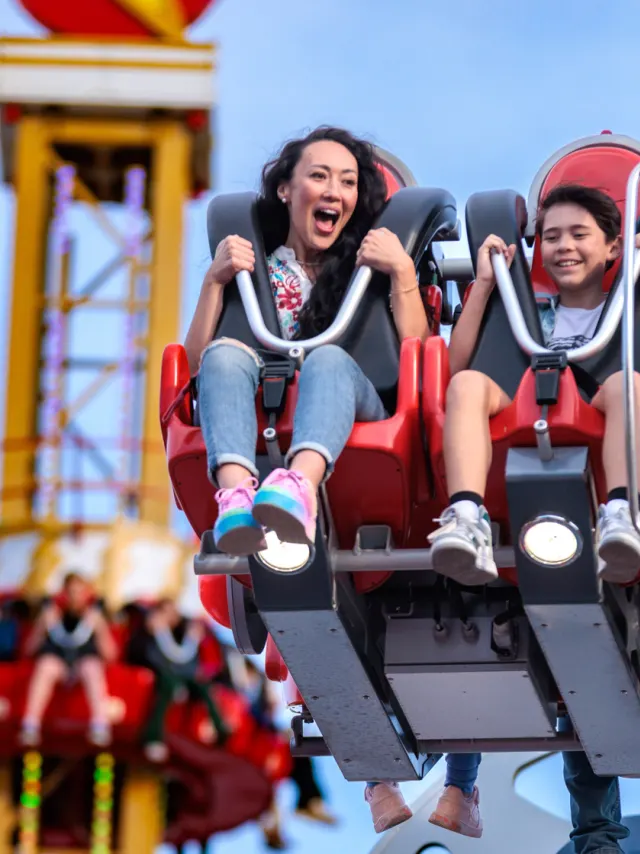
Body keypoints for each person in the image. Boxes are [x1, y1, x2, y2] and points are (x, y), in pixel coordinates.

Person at [185, 125, 480, 834]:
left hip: (366, 411)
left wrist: (402, 274)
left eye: (348, 182)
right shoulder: (260, 267)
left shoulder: (372, 262)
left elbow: (420, 354)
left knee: (324, 363)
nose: (334, 193)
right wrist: (214, 283)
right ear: (286, 188)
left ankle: (295, 484)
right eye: (320, 177)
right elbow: (195, 361)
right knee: (227, 354)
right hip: (262, 420)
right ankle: (238, 498)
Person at [430, 183, 633, 852]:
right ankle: (464, 516)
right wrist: (487, 287)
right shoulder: (528, 316)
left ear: (612, 247)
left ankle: (623, 510)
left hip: (595, 488)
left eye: (580, 234)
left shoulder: (623, 312)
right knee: (565, 650)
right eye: (551, 236)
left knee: (590, 654)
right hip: (531, 493)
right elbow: (456, 368)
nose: (564, 246)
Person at [20, 572, 116, 747]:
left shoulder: (93, 617)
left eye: (80, 592)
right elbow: (28, 650)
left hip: (83, 668)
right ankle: (30, 725)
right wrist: (42, 626)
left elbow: (110, 655)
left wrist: (99, 628)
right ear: (63, 593)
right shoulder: (53, 615)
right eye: (71, 591)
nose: (75, 597)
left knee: (91, 666)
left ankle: (100, 726)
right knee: (46, 665)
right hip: (58, 666)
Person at [132, 599, 228, 762]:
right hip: (160, 676)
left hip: (183, 677)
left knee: (203, 686)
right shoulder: (147, 629)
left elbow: (193, 663)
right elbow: (138, 654)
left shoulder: (183, 632)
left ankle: (220, 726)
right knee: (167, 684)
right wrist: (149, 631)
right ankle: (153, 736)